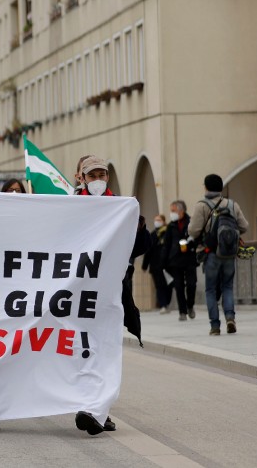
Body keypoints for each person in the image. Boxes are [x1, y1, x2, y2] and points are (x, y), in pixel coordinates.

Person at [73, 156, 151, 435]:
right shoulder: (69, 206)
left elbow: (140, 247)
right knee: (81, 353)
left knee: (104, 351)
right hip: (76, 296)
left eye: (102, 175)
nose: (98, 180)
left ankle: (97, 411)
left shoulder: (120, 206)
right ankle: (91, 406)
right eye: (92, 175)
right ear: (81, 178)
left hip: (110, 296)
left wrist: (138, 227)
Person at [188, 174, 249, 336]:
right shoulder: (231, 204)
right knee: (227, 286)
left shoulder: (201, 205)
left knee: (210, 290)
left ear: (206, 187)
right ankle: (230, 317)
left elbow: (193, 231)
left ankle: (215, 326)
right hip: (229, 253)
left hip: (211, 253)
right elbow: (244, 226)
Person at [164, 200, 198, 321]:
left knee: (191, 284)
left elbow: (197, 237)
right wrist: (164, 262)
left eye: (173, 211)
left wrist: (190, 245)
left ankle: (190, 306)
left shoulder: (191, 223)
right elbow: (166, 245)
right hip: (175, 260)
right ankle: (182, 312)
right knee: (178, 286)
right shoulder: (171, 226)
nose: (171, 213)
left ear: (181, 211)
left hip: (189, 258)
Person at [141, 214, 172, 316]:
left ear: (163, 221)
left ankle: (166, 303)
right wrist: (145, 265)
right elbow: (148, 251)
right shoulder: (153, 235)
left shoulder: (168, 232)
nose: (156, 222)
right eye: (155, 220)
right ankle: (163, 305)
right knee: (159, 286)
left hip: (167, 265)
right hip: (155, 265)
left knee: (169, 285)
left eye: (158, 220)